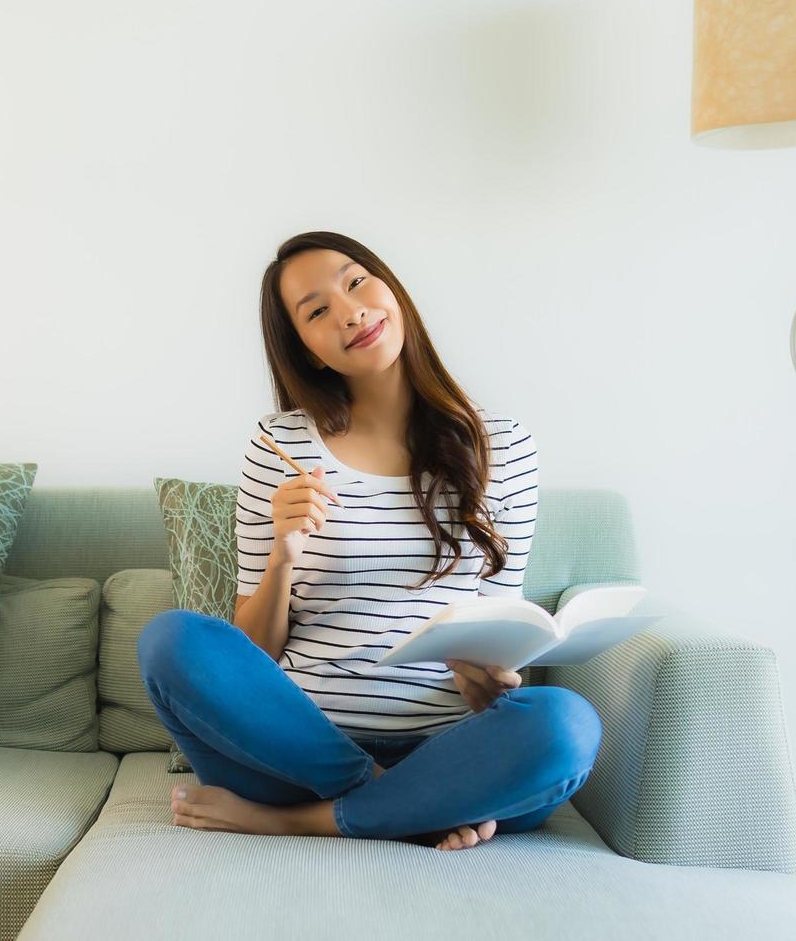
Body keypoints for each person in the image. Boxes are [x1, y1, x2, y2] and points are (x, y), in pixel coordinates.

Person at [137, 230, 602, 850]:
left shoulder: (503, 445)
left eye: (356, 282)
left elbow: (499, 624)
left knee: (566, 725)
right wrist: (282, 554)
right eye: (317, 311)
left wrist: (487, 679)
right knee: (172, 639)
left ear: (392, 290)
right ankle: (394, 804)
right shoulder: (279, 447)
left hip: (448, 755)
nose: (350, 311)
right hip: (292, 754)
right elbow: (252, 653)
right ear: (306, 351)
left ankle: (306, 823)